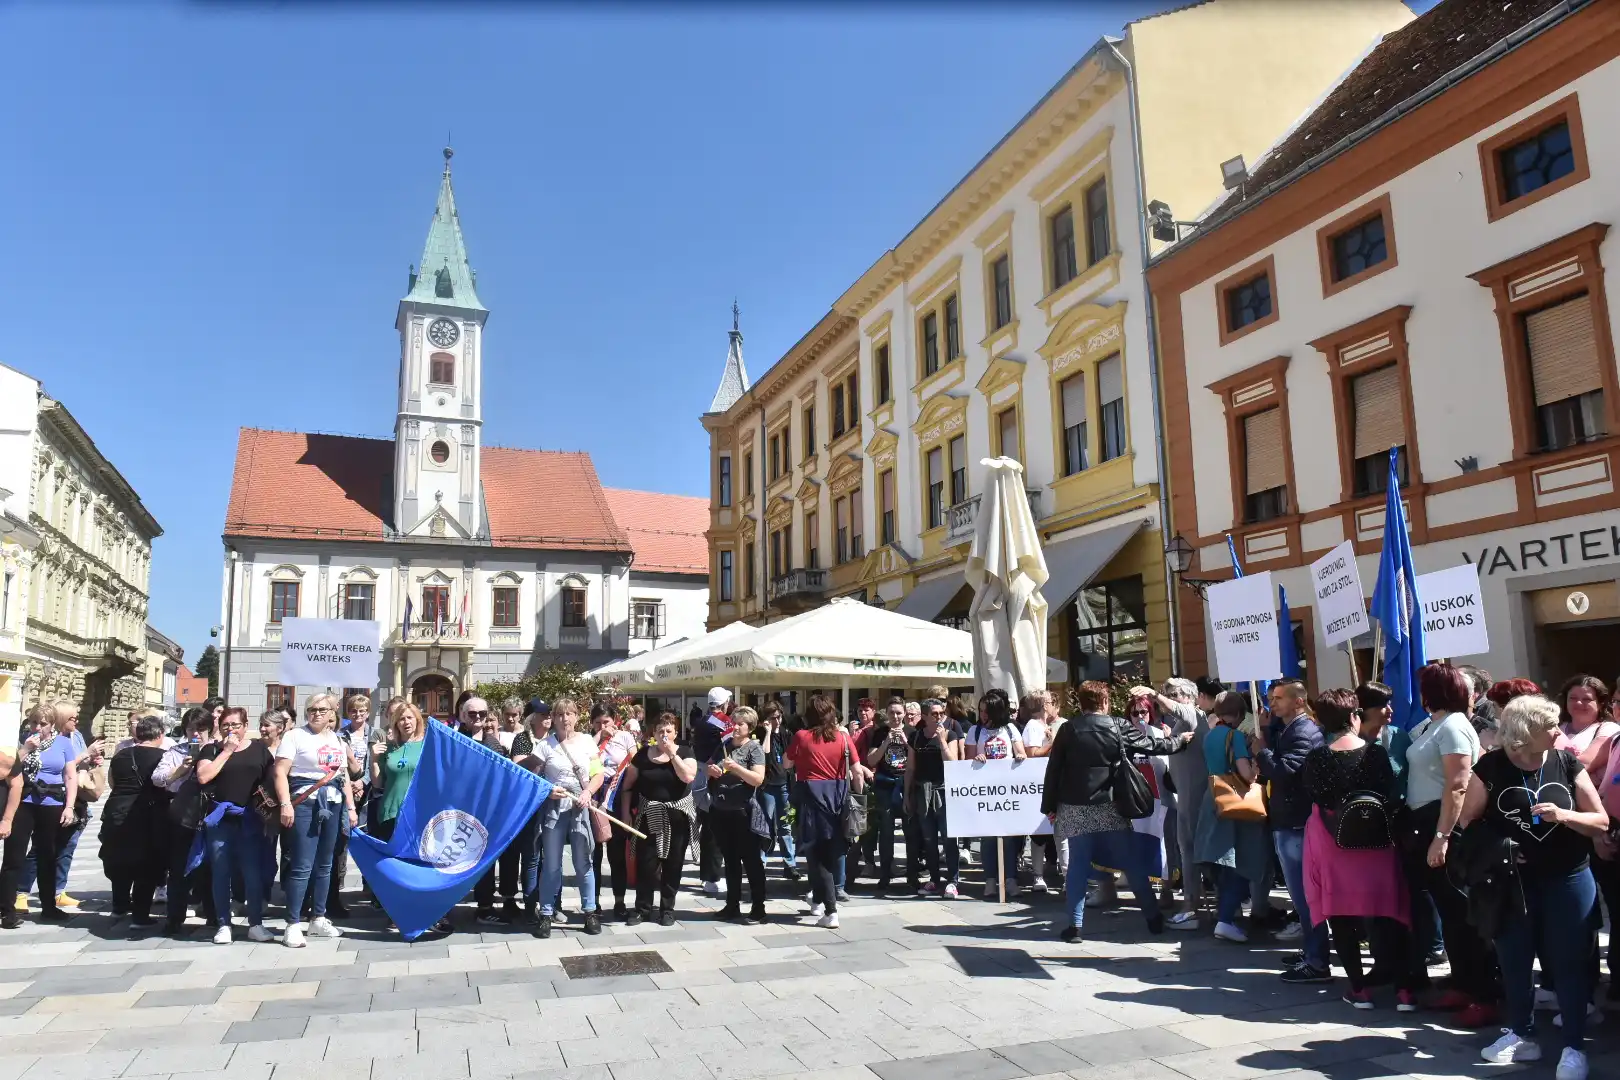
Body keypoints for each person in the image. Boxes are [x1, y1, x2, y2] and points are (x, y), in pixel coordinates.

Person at [1461, 695, 1608, 1080]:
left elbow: (1601, 821)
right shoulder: (1491, 767)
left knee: (1569, 962)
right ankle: (1521, 1034)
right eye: (1550, 725)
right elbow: (1468, 823)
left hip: (1569, 877)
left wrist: (1565, 815)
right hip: (1514, 884)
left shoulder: (1565, 762)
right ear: (1526, 732)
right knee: (1514, 959)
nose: (1559, 731)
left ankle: (1574, 1048)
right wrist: (1500, 848)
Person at [1041, 681, 1191, 943]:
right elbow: (1153, 746)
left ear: (1082, 702)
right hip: (1111, 804)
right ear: (1106, 702)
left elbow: (1054, 770)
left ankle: (1075, 926)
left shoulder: (1068, 729)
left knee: (1077, 864)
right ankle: (1152, 917)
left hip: (1075, 805)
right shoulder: (1117, 726)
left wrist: (1050, 807)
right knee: (1131, 863)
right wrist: (1180, 739)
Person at [1299, 688, 1414, 1009]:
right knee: (1389, 914)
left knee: (1342, 916)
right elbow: (1391, 793)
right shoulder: (1375, 753)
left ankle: (1359, 988)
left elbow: (1317, 796)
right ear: (1354, 716)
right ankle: (1404, 990)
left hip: (1333, 840)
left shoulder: (1318, 756)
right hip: (1377, 840)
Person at [1402, 662, 1497, 1026]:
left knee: (1463, 913)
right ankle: (1464, 984)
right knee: (1451, 913)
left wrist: (1442, 837)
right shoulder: (1438, 724)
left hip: (1444, 826)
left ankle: (1485, 993)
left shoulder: (1455, 725)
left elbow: (1458, 784)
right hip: (1425, 823)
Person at [1252, 679, 1331, 984]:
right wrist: (1267, 729)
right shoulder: (1289, 728)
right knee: (1301, 899)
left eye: (1280, 698)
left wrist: (1262, 753)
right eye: (1272, 697)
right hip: (1288, 821)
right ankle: (1311, 950)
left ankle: (1317, 960)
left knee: (1305, 898)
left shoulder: (1304, 732)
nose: (1274, 702)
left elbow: (1284, 770)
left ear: (1299, 701)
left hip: (1297, 824)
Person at [271, 694, 355, 948]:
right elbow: (279, 772)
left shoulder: (338, 740)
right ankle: (293, 923)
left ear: (332, 713)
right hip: (305, 802)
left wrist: (350, 808)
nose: (316, 713)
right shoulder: (295, 736)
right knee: (302, 864)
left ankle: (318, 916)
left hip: (333, 802)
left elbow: (343, 777)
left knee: (325, 864)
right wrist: (285, 803)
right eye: (311, 709)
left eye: (322, 709)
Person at [1557, 676, 1620, 1003]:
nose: (1579, 704)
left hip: (1592, 825)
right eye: (1573, 698)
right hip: (1563, 829)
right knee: (1574, 911)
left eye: (1587, 699)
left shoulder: (1606, 731)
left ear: (1601, 704)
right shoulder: (1562, 729)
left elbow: (1580, 764)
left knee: (1601, 907)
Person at [194, 707, 277, 944]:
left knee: (252, 873)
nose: (231, 729)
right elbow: (204, 777)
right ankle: (223, 924)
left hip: (250, 818)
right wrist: (227, 750)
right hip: (220, 819)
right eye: (226, 725)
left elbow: (269, 780)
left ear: (245, 725)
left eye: (235, 725)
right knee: (221, 872)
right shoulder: (211, 749)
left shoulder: (259, 749)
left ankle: (256, 923)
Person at [1194, 691, 1270, 944]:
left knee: (1221, 861)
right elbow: (1246, 774)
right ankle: (1225, 919)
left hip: (1213, 799)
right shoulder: (1235, 735)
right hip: (1236, 804)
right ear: (1238, 714)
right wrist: (1258, 761)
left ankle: (1226, 914)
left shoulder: (1209, 735)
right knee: (1244, 862)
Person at [0, 701, 82, 926]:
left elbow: (70, 776)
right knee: (13, 856)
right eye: (34, 722)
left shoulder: (64, 744)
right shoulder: (22, 742)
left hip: (51, 802)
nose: (37, 727)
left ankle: (48, 907)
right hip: (23, 802)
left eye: (42, 724)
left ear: (52, 724)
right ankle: (7, 910)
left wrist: (69, 806)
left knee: (47, 855)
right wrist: (25, 749)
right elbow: (8, 769)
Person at [1138, 678, 1208, 930]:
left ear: (1188, 696)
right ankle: (1194, 902)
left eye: (1173, 694)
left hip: (1194, 796)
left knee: (1190, 852)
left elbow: (1179, 709)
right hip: (1185, 796)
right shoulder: (1181, 721)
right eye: (1167, 693)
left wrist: (1154, 694)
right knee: (1188, 851)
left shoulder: (1192, 714)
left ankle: (1191, 908)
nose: (1169, 698)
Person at [532, 697, 603, 938]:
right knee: (551, 864)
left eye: (569, 714)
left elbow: (598, 774)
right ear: (554, 718)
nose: (565, 719)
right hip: (554, 807)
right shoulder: (545, 745)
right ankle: (546, 913)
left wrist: (587, 792)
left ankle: (590, 911)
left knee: (584, 862)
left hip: (580, 806)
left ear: (576, 716)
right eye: (560, 715)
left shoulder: (586, 742)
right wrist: (547, 789)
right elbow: (531, 776)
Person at [786, 694, 858, 928]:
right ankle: (818, 900)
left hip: (811, 802)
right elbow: (857, 771)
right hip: (838, 801)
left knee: (817, 857)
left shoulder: (801, 736)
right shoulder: (844, 739)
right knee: (829, 853)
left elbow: (787, 763)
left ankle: (831, 910)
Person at [621, 712, 696, 925]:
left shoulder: (685, 751)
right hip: (650, 814)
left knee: (673, 864)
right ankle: (642, 908)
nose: (664, 735)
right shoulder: (643, 755)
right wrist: (626, 813)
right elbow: (628, 786)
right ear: (653, 733)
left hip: (677, 816)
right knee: (646, 863)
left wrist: (673, 755)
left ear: (675, 733)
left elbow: (688, 777)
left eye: (668, 731)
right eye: (660, 730)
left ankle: (667, 909)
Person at [99, 713, 170, 929]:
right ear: (160, 734)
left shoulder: (121, 755)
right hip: (147, 815)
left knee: (119, 862)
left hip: (116, 812)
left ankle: (119, 907)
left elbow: (112, 781)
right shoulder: (163, 756)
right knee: (147, 866)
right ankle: (140, 916)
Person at [154, 709, 216, 936]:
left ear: (209, 730)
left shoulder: (218, 750)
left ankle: (213, 913)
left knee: (211, 867)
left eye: (201, 730)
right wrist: (181, 770)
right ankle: (175, 917)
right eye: (191, 729)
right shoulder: (175, 752)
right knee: (179, 868)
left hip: (210, 813)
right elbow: (158, 779)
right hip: (182, 816)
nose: (196, 735)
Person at [965, 688, 1026, 899]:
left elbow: (1021, 752)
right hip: (985, 792)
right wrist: (977, 758)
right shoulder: (975, 731)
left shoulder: (1010, 729)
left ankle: (1011, 879)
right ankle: (990, 879)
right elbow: (968, 759)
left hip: (1008, 791)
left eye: (986, 711)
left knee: (1009, 838)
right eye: (980, 710)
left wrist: (1019, 756)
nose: (982, 715)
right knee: (988, 838)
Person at [710, 706, 768, 923]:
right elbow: (710, 767)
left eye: (740, 723)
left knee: (751, 861)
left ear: (749, 727)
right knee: (731, 860)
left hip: (744, 812)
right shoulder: (724, 745)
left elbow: (757, 779)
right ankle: (732, 904)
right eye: (733, 722)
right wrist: (712, 771)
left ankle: (758, 906)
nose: (734, 726)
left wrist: (736, 768)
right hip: (723, 810)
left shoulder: (754, 748)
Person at [855, 698, 915, 893]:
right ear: (887, 714)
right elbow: (871, 759)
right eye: (892, 713)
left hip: (906, 784)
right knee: (886, 833)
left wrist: (906, 743)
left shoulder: (912, 733)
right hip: (885, 785)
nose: (895, 717)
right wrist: (887, 742)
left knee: (910, 832)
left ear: (904, 714)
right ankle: (885, 874)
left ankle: (912, 875)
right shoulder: (880, 733)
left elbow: (918, 761)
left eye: (898, 713)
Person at [906, 698, 962, 898]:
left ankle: (953, 881)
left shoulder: (951, 733)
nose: (940, 717)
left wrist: (942, 742)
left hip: (944, 791)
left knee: (949, 839)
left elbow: (953, 762)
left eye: (941, 713)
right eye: (935, 714)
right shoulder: (915, 737)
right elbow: (910, 768)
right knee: (929, 839)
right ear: (925, 716)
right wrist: (907, 795)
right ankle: (934, 879)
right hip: (923, 792)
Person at [589, 704, 638, 919]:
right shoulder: (587, 741)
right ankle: (594, 901)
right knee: (594, 853)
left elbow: (635, 762)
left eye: (606, 722)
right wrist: (599, 738)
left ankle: (619, 901)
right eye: (598, 723)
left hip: (618, 797)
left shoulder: (625, 737)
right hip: (595, 796)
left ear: (614, 720)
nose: (603, 726)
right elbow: (584, 762)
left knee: (617, 853)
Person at [327, 693, 373, 918]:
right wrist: (350, 784)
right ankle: (338, 884)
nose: (358, 715)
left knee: (367, 839)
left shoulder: (375, 733)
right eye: (354, 711)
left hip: (367, 793)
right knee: (341, 841)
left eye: (362, 711)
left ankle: (371, 887)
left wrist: (362, 783)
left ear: (368, 713)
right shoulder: (339, 735)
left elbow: (376, 763)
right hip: (344, 791)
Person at [691, 688, 733, 898]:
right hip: (716, 777)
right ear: (725, 703)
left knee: (708, 827)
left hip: (701, 777)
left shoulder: (701, 721)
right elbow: (732, 744)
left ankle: (709, 876)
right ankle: (712, 877)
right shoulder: (724, 722)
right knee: (714, 830)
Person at [757, 703, 799, 882]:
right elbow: (763, 753)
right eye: (773, 718)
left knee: (786, 825)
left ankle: (789, 864)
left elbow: (792, 757)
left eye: (779, 717)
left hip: (784, 785)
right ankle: (761, 863)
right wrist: (767, 733)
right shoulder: (760, 735)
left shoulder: (787, 734)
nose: (777, 721)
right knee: (765, 825)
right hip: (767, 785)